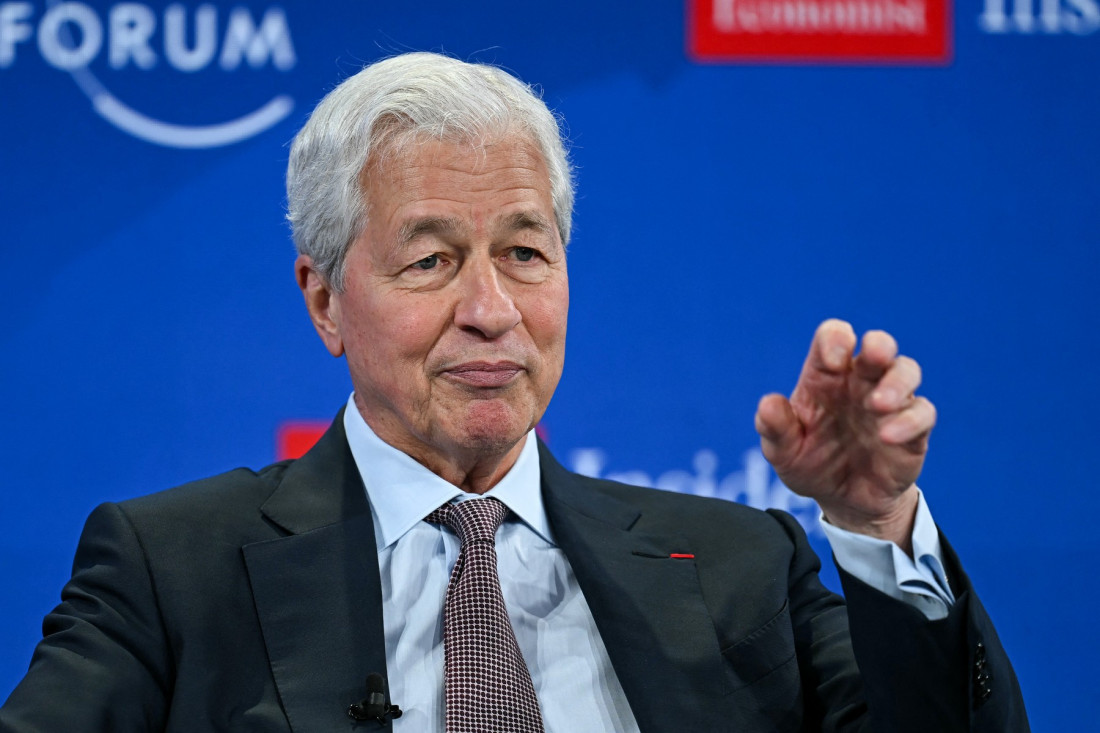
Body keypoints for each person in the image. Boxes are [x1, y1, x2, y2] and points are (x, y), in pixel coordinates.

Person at [0, 52, 1028, 732]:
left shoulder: (739, 569)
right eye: (431, 261)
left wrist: (875, 525)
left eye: (525, 253)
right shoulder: (173, 572)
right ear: (323, 300)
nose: (490, 309)